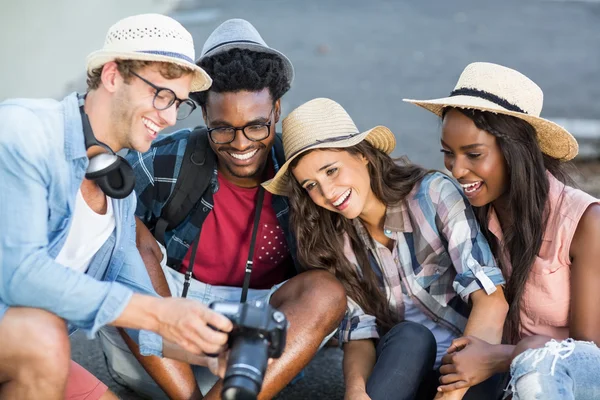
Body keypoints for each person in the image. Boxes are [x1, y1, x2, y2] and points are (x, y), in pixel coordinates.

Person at [98, 19, 347, 400]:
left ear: (277, 111)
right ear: (204, 118)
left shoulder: (302, 170)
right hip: (162, 347)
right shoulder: (168, 160)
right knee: (120, 234)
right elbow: (103, 235)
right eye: (223, 129)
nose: (241, 143)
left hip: (260, 355)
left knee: (327, 291)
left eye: (256, 126)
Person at [0, 13, 235, 400]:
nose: (171, 117)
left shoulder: (118, 193)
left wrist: (211, 346)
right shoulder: (25, 131)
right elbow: (19, 275)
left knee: (47, 345)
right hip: (32, 343)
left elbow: (141, 306)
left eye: (179, 103)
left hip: (31, 349)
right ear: (112, 76)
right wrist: (160, 313)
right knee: (44, 340)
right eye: (162, 95)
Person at [261, 97, 508, 400]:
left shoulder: (433, 196)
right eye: (311, 185)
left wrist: (450, 396)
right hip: (404, 371)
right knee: (410, 335)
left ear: (362, 155)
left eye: (331, 171)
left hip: (467, 371)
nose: (327, 192)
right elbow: (359, 335)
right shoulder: (333, 241)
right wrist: (355, 391)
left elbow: (492, 302)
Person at [405, 62, 600, 399]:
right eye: (448, 154)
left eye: (474, 154)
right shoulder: (469, 213)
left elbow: (587, 358)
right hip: (496, 381)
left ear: (517, 150)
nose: (457, 170)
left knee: (540, 361)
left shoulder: (585, 221)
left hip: (561, 386)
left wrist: (500, 358)